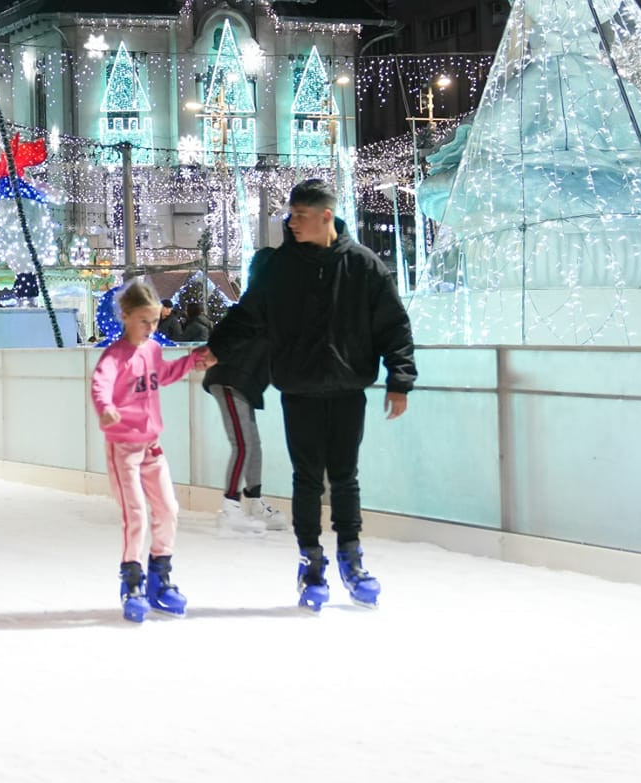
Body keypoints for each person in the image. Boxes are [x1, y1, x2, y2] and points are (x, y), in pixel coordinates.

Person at [208, 179, 415, 611]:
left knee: (344, 477)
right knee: (306, 478)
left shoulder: (363, 265)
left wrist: (399, 379)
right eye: (291, 215)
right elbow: (248, 314)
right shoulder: (280, 267)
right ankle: (311, 560)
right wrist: (215, 348)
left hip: (347, 389)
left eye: (301, 215)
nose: (292, 222)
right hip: (300, 388)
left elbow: (393, 325)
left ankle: (351, 558)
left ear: (326, 216)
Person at [91, 280, 213, 621]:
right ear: (125, 316)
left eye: (155, 321)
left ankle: (160, 577)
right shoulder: (114, 356)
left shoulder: (153, 350)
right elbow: (100, 383)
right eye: (144, 321)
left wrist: (191, 361)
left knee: (168, 509)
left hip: (152, 447)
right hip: (123, 449)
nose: (150, 327)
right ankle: (132, 582)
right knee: (136, 515)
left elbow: (163, 374)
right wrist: (105, 407)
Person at [203, 269, 285, 535]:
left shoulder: (277, 310)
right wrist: (213, 351)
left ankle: (255, 502)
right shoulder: (260, 303)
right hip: (231, 379)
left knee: (253, 445)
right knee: (243, 444)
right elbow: (230, 328)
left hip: (245, 382)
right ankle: (230, 506)